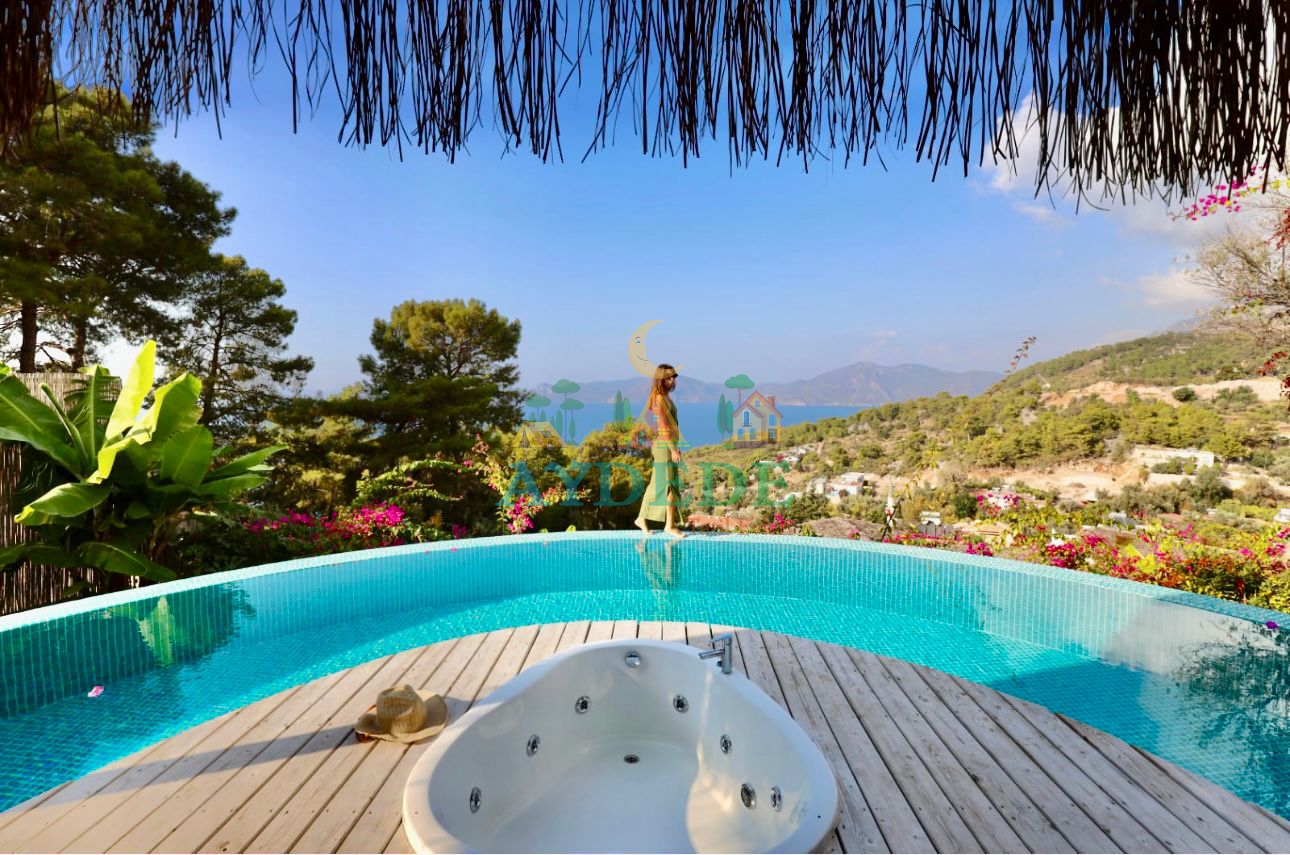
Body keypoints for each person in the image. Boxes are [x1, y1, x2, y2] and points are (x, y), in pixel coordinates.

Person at [634, 363, 688, 539]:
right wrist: (673, 450)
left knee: (658, 484)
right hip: (664, 447)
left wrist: (675, 446)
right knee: (669, 485)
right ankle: (670, 526)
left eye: (673, 377)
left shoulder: (665, 397)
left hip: (668, 445)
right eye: (668, 378)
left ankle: (641, 518)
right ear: (660, 379)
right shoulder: (658, 399)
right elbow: (663, 427)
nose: (672, 380)